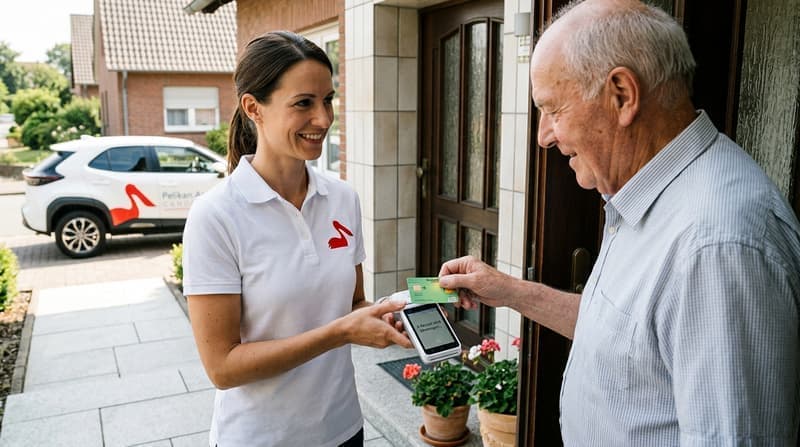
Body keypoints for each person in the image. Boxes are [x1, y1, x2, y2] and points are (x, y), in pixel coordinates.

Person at [438, 0, 800, 445]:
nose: (544, 136)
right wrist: (508, 290)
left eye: (553, 109)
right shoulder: (649, 195)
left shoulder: (717, 245)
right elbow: (626, 337)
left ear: (622, 95)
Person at [182, 31, 411, 447]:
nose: (323, 119)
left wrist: (398, 313)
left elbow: (352, 306)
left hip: (342, 428)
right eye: (304, 103)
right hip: (260, 438)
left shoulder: (342, 198)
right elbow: (223, 367)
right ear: (254, 108)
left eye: (328, 100)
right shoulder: (216, 215)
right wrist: (341, 332)